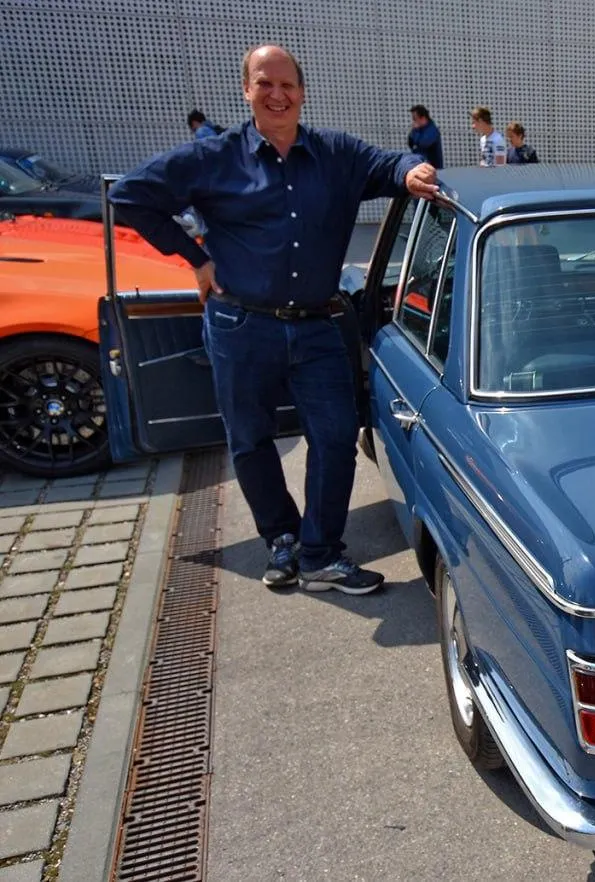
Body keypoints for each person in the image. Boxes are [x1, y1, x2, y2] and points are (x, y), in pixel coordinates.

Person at [109, 45, 439, 593]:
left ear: (302, 92)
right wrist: (196, 258)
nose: (277, 95)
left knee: (336, 436)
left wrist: (413, 170)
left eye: (287, 85)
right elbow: (130, 196)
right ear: (247, 90)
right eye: (265, 84)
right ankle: (281, 538)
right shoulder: (212, 157)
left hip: (317, 323)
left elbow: (390, 165)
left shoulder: (336, 153)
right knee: (249, 438)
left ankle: (320, 554)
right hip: (241, 324)